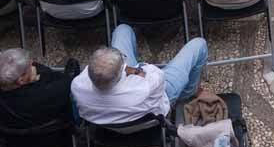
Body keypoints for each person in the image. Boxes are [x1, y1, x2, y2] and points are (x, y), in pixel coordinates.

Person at [70, 27, 209, 125]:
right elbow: (153, 73)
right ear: (122, 72)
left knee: (122, 29)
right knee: (199, 44)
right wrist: (135, 69)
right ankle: (187, 93)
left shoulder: (77, 86)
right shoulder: (144, 87)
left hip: (106, 125)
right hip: (156, 101)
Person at [0, 48, 80, 129]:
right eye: (30, 66)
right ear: (21, 80)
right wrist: (39, 77)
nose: (33, 65)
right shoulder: (49, 93)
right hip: (55, 132)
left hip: (12, 136)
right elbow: (68, 83)